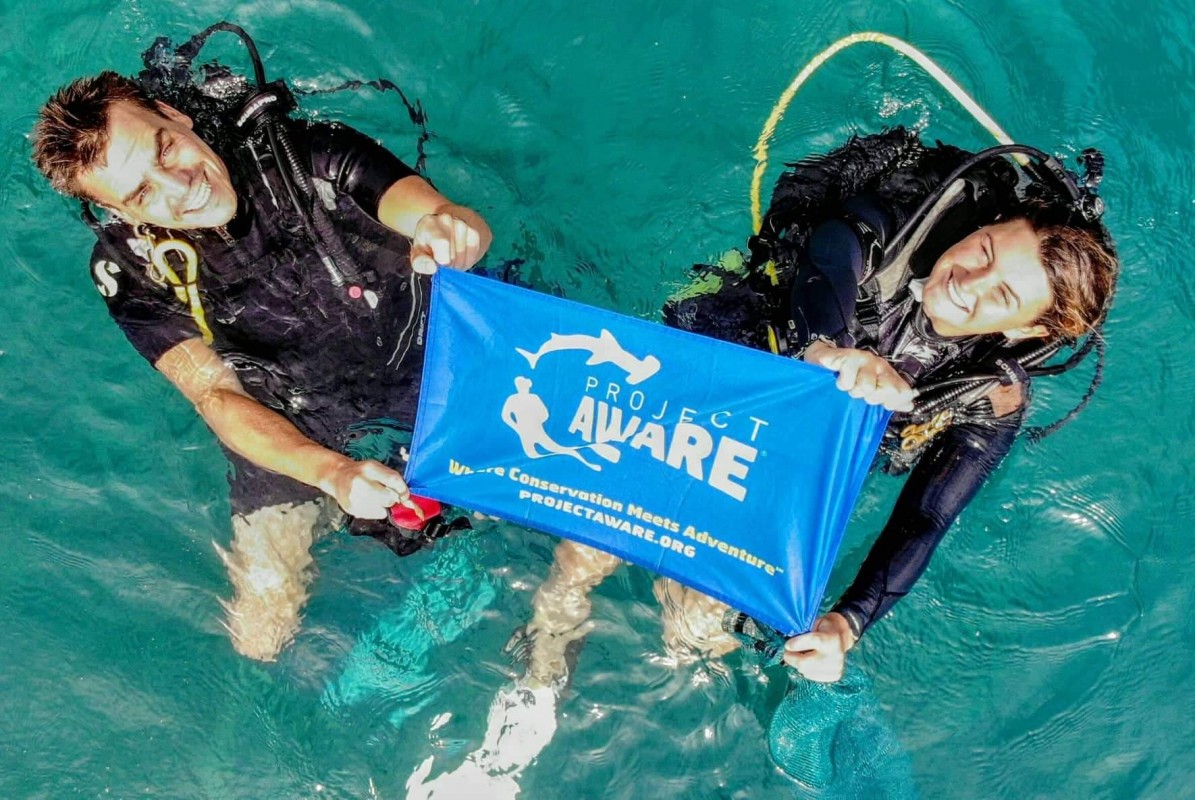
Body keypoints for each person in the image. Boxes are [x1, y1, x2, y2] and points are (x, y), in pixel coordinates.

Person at [519, 127, 1118, 689]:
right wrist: (827, 348)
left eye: (1003, 295)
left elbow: (924, 520)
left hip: (785, 450)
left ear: (1029, 333)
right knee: (589, 547)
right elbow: (836, 243)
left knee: (696, 629)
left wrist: (847, 624)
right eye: (984, 249)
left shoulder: (992, 395)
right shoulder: (910, 216)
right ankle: (539, 678)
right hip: (739, 347)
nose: (969, 280)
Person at [30, 35, 492, 662]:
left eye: (166, 147)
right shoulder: (132, 271)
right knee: (260, 638)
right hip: (292, 420)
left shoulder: (305, 155)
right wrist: (330, 471)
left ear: (177, 116)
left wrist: (444, 226)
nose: (180, 184)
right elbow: (215, 394)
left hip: (429, 361)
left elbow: (433, 210)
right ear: (120, 214)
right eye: (141, 193)